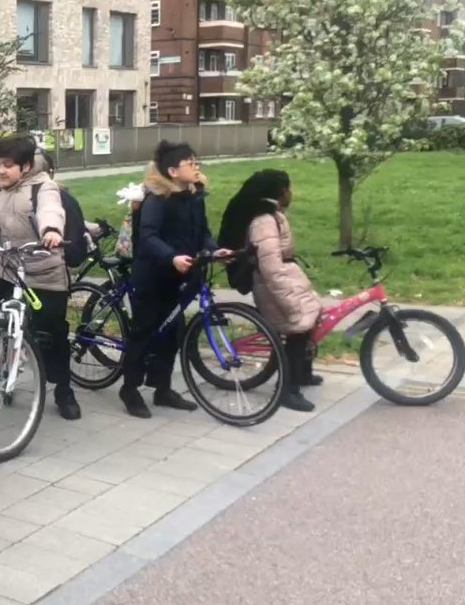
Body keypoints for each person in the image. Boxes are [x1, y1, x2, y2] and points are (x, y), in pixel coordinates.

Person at [0, 137, 81, 420]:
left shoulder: (43, 186)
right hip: (6, 265)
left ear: (25, 166)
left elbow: (52, 210)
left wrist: (52, 231)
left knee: (52, 332)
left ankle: (63, 389)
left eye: (8, 166)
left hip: (42, 270)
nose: (0, 171)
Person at [118, 141, 231, 419]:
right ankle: (130, 389)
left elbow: (202, 232)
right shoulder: (157, 199)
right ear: (172, 171)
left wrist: (215, 249)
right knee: (143, 332)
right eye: (190, 163)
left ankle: (162, 388)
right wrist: (172, 257)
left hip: (180, 276)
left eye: (196, 163)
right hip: (153, 275)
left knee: (172, 332)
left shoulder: (193, 197)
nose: (196, 168)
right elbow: (149, 237)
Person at [218, 169, 322, 412]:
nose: (291, 192)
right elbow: (271, 268)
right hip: (274, 287)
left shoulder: (272, 214)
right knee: (297, 331)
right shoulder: (264, 221)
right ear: (279, 191)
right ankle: (288, 390)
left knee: (308, 323)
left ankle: (303, 374)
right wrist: (289, 303)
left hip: (285, 282)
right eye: (288, 187)